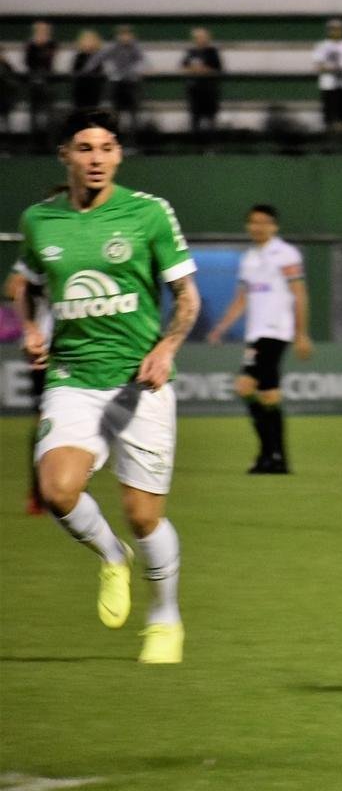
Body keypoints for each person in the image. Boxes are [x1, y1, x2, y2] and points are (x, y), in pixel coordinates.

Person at [15, 108, 201, 664]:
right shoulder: (39, 220)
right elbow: (22, 284)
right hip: (72, 378)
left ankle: (165, 615)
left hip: (137, 383)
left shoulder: (147, 214)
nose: (97, 158)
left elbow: (188, 298)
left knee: (144, 514)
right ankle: (111, 555)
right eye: (85, 148)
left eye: (107, 148)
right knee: (57, 491)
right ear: (66, 157)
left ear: (118, 155)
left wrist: (167, 347)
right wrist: (28, 326)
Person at [206, 204, 312, 474]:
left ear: (274, 226)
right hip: (257, 333)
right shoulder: (249, 258)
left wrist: (301, 334)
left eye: (264, 222)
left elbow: (299, 293)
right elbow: (242, 298)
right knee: (268, 395)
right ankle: (275, 458)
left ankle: (270, 454)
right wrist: (222, 326)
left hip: (275, 331)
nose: (258, 227)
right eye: (253, 222)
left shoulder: (285, 254)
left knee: (244, 386)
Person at [4, 267, 53, 514]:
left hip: (83, 345)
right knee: (44, 420)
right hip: (45, 348)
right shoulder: (44, 247)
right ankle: (38, 491)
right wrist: (30, 326)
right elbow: (13, 286)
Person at [181, 27, 222, 142]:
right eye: (198, 37)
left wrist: (203, 70)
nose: (200, 40)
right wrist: (193, 70)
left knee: (211, 120)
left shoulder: (212, 52)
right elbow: (184, 68)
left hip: (209, 91)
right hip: (194, 91)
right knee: (195, 120)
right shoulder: (191, 52)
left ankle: (211, 147)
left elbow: (217, 69)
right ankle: (196, 147)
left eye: (203, 37)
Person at [104, 25, 145, 137]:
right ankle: (115, 140)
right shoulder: (112, 48)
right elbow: (103, 61)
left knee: (134, 114)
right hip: (117, 84)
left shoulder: (136, 48)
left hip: (131, 84)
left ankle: (133, 141)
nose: (125, 38)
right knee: (115, 113)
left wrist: (131, 73)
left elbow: (142, 63)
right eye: (122, 35)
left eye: (127, 35)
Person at [24, 21, 57, 143]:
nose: (42, 33)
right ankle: (34, 142)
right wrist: (35, 45)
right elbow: (28, 62)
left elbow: (49, 61)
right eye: (39, 30)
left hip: (48, 82)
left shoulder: (52, 44)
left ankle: (49, 141)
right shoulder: (30, 45)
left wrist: (43, 46)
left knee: (49, 113)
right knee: (34, 113)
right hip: (33, 82)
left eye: (44, 30)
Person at [71, 30, 106, 109]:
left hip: (94, 91)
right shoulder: (79, 56)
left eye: (91, 40)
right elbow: (75, 72)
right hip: (80, 91)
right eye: (86, 40)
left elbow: (100, 73)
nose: (88, 43)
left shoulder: (98, 56)